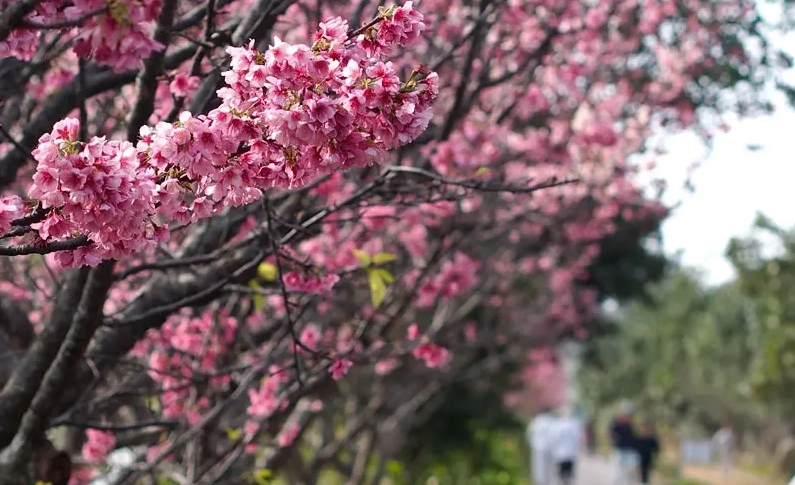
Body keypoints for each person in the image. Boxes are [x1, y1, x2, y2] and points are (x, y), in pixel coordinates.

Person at [549, 407, 584, 485]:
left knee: (562, 472)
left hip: (561, 453)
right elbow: (579, 437)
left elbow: (553, 439)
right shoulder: (574, 423)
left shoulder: (557, 424)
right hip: (571, 453)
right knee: (569, 473)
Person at [609, 401, 638, 485]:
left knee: (629, 473)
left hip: (630, 450)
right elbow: (611, 435)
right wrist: (614, 440)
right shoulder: (616, 423)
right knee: (617, 473)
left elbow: (633, 437)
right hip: (619, 450)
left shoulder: (630, 424)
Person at [527, 406, 555, 485]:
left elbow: (529, 434)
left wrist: (530, 443)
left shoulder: (536, 421)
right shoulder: (551, 420)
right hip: (548, 447)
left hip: (537, 447)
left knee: (538, 467)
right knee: (547, 468)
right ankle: (546, 481)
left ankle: (539, 482)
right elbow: (554, 435)